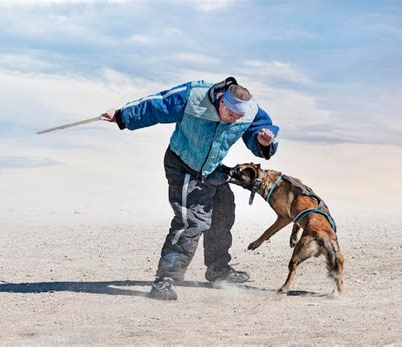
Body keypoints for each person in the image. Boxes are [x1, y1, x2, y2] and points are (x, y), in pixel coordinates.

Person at [101, 77, 279, 300]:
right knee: (191, 221)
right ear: (221, 100)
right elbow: (158, 104)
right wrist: (121, 115)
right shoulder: (193, 97)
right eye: (231, 114)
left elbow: (260, 131)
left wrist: (264, 142)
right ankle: (164, 280)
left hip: (212, 169)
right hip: (183, 165)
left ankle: (218, 271)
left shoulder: (250, 112)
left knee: (223, 214)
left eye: (238, 117)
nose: (234, 120)